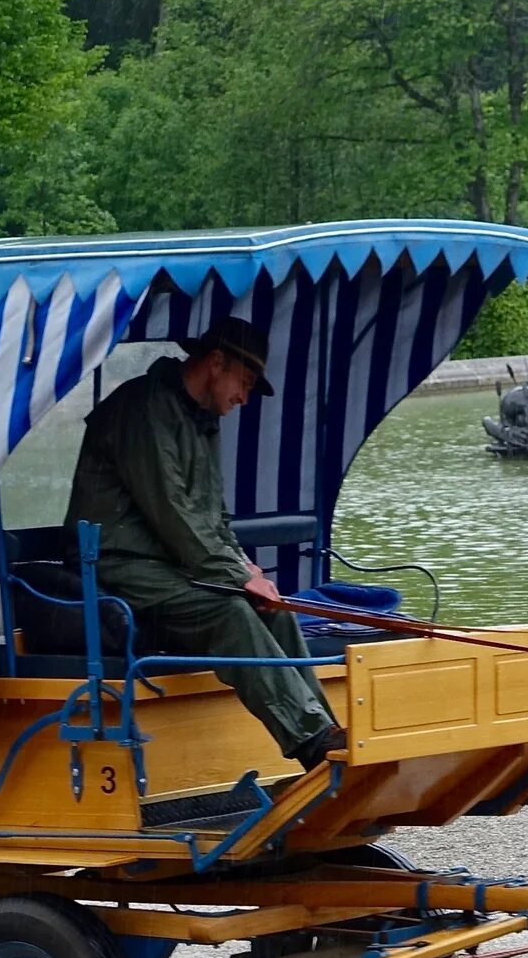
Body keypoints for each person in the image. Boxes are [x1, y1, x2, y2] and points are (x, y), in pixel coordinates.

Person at [65, 319, 344, 768]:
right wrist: (237, 578)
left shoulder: (201, 419)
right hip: (114, 565)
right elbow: (174, 513)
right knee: (231, 610)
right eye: (245, 382)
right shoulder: (143, 408)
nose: (244, 398)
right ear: (216, 363)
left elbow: (214, 518)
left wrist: (246, 568)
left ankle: (328, 737)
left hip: (167, 564)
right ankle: (313, 742)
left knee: (276, 613)